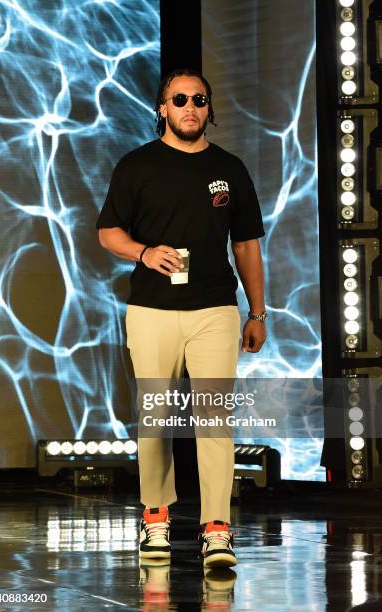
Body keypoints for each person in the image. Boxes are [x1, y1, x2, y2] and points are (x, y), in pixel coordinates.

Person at [96, 67, 267, 568]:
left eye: (199, 99)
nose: (190, 107)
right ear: (162, 109)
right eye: (179, 99)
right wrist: (145, 253)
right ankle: (155, 518)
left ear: (209, 109)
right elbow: (108, 232)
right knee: (155, 420)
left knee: (214, 417)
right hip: (151, 309)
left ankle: (217, 527)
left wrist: (258, 312)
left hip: (215, 308)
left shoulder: (230, 168)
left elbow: (248, 245)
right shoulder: (137, 165)